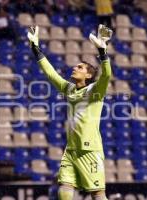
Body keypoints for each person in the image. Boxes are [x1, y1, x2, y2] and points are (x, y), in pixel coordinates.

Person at [27, 24, 113, 200]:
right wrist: (36, 49)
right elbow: (51, 74)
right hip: (71, 149)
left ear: (88, 76)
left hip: (89, 150)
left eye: (80, 67)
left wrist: (103, 54)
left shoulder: (95, 91)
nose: (75, 68)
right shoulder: (70, 89)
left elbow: (106, 76)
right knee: (65, 186)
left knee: (97, 194)